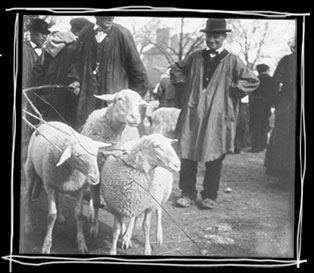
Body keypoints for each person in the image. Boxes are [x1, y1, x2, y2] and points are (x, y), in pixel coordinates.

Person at [170, 18, 259, 209]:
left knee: (215, 156)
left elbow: (251, 80)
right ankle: (187, 193)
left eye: (216, 36)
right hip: (193, 113)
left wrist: (236, 89)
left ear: (224, 37)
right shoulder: (195, 57)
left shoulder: (232, 60)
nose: (212, 40)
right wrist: (183, 86)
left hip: (218, 116)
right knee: (187, 153)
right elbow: (177, 69)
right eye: (209, 36)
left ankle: (210, 195)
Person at [68, 16, 148, 130]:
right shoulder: (85, 32)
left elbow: (137, 67)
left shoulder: (123, 34)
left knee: (112, 132)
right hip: (88, 95)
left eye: (112, 14)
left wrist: (134, 97)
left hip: (114, 95)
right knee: (87, 129)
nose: (110, 17)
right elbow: (75, 60)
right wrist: (74, 80)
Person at [31, 17, 93, 127]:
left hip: (46, 94)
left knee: (46, 128)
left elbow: (38, 69)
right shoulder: (78, 47)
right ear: (82, 32)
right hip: (66, 98)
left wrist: (39, 91)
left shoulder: (53, 42)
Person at [264, 38, 297, 185]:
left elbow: (275, 81)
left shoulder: (287, 60)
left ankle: (284, 174)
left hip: (288, 102)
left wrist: (276, 100)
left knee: (284, 136)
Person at [21, 18, 50, 164]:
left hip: (40, 97)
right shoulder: (22, 49)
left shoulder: (46, 52)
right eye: (40, 33)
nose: (44, 37)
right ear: (32, 33)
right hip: (25, 95)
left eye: (46, 34)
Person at [249, 63, 275, 152]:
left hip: (256, 105)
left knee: (256, 126)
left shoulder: (255, 79)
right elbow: (274, 93)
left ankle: (256, 146)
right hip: (266, 105)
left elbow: (251, 92)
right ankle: (263, 145)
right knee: (264, 125)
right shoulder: (271, 80)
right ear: (267, 70)